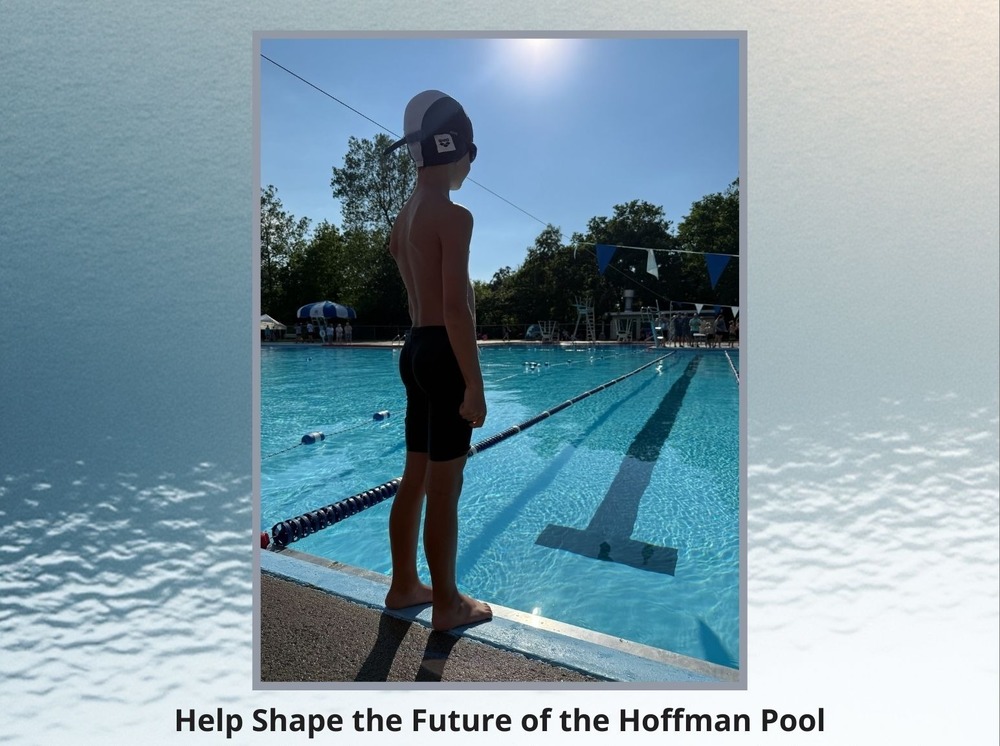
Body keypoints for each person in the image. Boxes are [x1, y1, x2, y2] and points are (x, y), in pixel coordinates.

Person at [382, 90, 492, 631]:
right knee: (445, 491)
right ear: (455, 150)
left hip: (413, 349)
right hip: (444, 355)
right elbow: (456, 307)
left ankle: (404, 584)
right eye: (472, 154)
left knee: (415, 479)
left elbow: (417, 301)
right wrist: (474, 385)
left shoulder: (404, 219)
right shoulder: (453, 216)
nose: (471, 166)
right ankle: (448, 604)